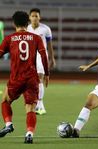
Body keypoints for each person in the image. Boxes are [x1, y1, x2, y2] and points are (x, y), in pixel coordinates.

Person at [0, 11, 49, 143]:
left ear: (14, 23)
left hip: (16, 78)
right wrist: (47, 74)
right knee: (31, 109)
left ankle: (9, 124)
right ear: (27, 23)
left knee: (5, 101)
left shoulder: (9, 39)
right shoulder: (36, 38)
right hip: (32, 79)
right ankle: (29, 134)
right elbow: (44, 56)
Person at [27, 8, 56, 115]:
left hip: (41, 56)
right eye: (33, 16)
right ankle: (37, 104)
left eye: (36, 16)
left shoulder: (45, 29)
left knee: (40, 78)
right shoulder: (26, 29)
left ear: (40, 17)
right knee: (31, 81)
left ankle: (40, 105)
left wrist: (52, 58)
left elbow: (49, 45)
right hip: (30, 57)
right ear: (29, 17)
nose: (34, 18)